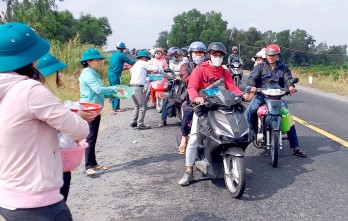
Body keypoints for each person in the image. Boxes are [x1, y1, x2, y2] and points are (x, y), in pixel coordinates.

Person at [0, 22, 89, 221]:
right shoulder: (29, 90)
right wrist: (77, 114)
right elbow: (80, 130)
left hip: (7, 201)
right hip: (38, 205)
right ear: (32, 59)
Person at [178, 42, 250, 186]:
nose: (217, 57)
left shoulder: (224, 72)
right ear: (209, 55)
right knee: (194, 138)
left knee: (233, 132)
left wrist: (242, 95)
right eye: (215, 54)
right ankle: (189, 171)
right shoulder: (200, 70)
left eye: (220, 55)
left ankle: (235, 165)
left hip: (221, 106)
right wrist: (196, 98)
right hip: (204, 107)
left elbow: (232, 87)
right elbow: (192, 87)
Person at [36, 53, 95, 202]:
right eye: (57, 74)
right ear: (49, 76)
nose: (59, 78)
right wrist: (77, 117)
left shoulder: (27, 95)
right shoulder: (45, 99)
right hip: (52, 163)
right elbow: (77, 130)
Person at [247, 44, 307, 157]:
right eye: (269, 55)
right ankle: (253, 131)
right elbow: (252, 77)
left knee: (287, 116)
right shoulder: (260, 67)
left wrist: (291, 86)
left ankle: (295, 147)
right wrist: (253, 85)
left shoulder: (283, 68)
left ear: (278, 55)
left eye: (273, 55)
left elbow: (288, 79)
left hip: (277, 97)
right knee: (252, 109)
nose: (271, 57)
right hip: (262, 95)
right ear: (266, 55)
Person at [79, 48, 125, 176]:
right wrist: (114, 88)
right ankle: (88, 166)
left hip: (95, 108)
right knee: (90, 138)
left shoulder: (93, 73)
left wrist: (110, 94)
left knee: (93, 137)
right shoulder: (88, 73)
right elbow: (98, 89)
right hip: (89, 109)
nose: (100, 62)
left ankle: (93, 163)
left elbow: (97, 92)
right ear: (88, 61)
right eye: (97, 60)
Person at [177, 41, 207, 154]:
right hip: (190, 97)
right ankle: (184, 137)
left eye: (201, 53)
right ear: (190, 54)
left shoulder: (208, 66)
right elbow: (186, 80)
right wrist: (198, 74)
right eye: (196, 53)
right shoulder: (185, 66)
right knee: (188, 112)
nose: (199, 55)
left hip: (207, 97)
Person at [157, 47, 187, 127]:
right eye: (171, 56)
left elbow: (187, 70)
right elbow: (170, 72)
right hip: (175, 83)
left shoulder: (185, 60)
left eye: (173, 55)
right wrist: (172, 76)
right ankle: (163, 119)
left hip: (185, 82)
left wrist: (181, 75)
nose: (172, 57)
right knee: (168, 99)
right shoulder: (171, 62)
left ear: (177, 54)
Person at [129, 50, 157, 130]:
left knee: (136, 105)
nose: (147, 60)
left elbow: (140, 76)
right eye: (147, 58)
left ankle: (134, 121)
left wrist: (148, 80)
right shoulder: (142, 63)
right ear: (144, 58)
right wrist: (160, 69)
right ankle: (140, 124)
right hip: (138, 87)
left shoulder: (135, 65)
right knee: (143, 106)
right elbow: (154, 68)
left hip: (132, 86)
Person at [108, 41, 135, 112]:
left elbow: (117, 65)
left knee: (112, 89)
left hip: (110, 74)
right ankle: (116, 108)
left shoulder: (113, 55)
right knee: (117, 90)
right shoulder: (121, 55)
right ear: (123, 48)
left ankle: (113, 106)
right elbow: (129, 61)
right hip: (115, 75)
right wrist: (137, 62)